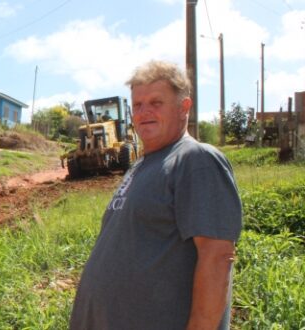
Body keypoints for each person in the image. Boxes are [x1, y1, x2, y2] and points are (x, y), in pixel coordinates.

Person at [70, 61, 242, 329]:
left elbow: (217, 256)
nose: (144, 112)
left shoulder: (196, 160)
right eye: (137, 105)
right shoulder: (142, 165)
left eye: (156, 103)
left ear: (184, 107)